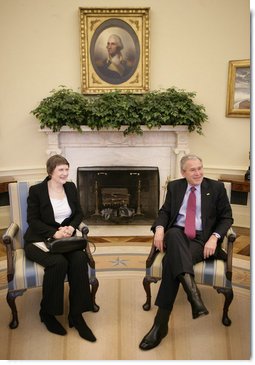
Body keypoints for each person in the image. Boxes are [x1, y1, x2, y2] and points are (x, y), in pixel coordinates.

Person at [139, 154, 233, 351]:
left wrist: (215, 237)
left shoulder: (216, 188)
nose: (198, 173)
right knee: (172, 233)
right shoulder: (175, 186)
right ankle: (194, 296)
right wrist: (158, 229)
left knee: (171, 264)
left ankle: (160, 325)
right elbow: (165, 212)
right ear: (183, 172)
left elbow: (226, 218)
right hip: (178, 235)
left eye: (200, 168)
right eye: (193, 170)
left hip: (201, 239)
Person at [24, 154, 96, 342]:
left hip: (65, 239)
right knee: (58, 263)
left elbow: (79, 213)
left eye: (66, 169)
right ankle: (48, 313)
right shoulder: (37, 191)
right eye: (60, 170)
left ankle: (76, 315)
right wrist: (53, 232)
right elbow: (32, 220)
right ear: (50, 172)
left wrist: (71, 227)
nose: (65, 173)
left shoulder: (70, 187)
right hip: (38, 240)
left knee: (80, 259)